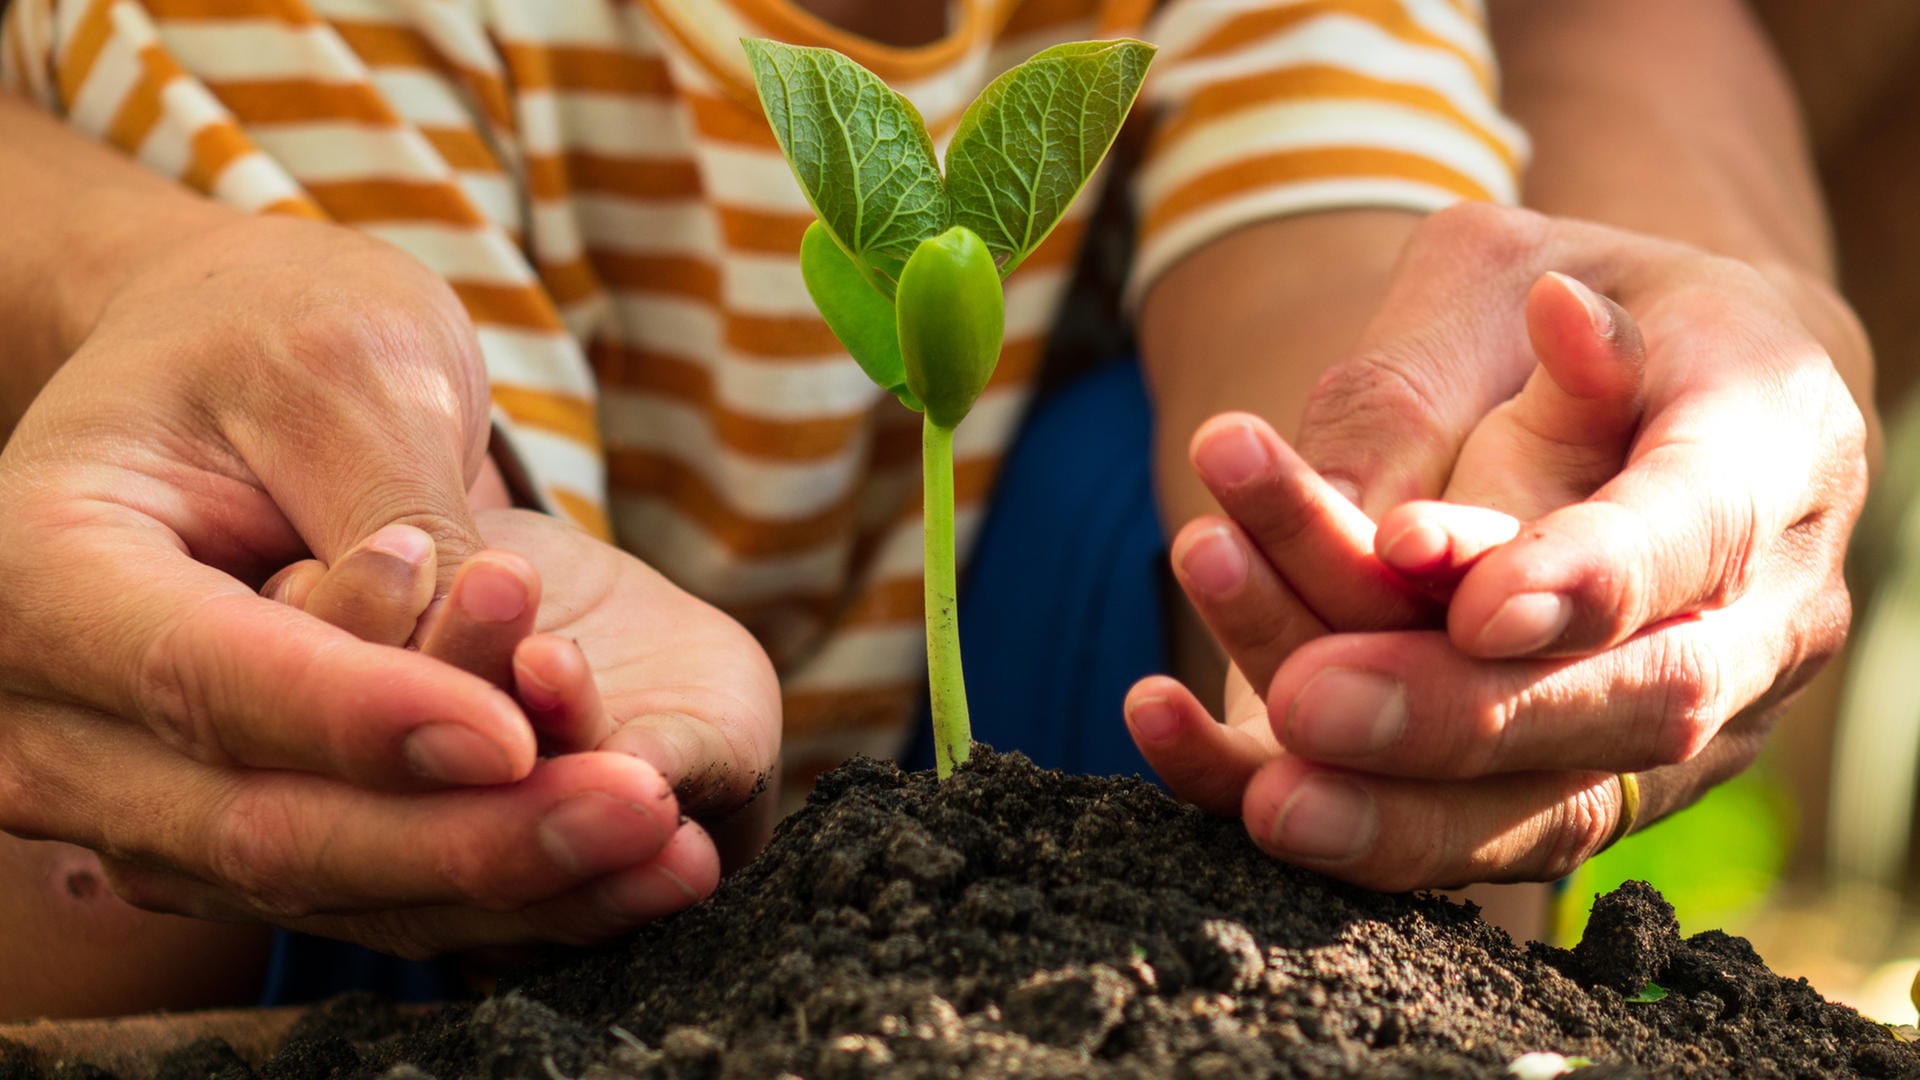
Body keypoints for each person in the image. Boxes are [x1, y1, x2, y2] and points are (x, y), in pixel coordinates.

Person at [0, 0, 1870, 1018]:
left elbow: (1351, 304)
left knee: (1354, 771)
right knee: (159, 797)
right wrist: (450, 596)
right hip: (369, 780)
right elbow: (396, 452)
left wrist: (1434, 537)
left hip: (1050, 695)